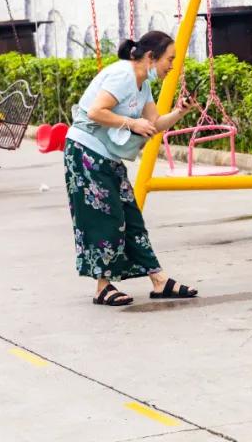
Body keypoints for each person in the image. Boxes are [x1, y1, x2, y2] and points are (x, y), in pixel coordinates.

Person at [64, 31, 200, 307]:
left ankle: (159, 280)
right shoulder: (123, 75)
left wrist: (181, 111)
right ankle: (102, 287)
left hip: (108, 156)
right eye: (169, 59)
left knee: (131, 216)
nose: (172, 66)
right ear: (151, 57)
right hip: (85, 152)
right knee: (106, 218)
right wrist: (131, 123)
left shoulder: (142, 84)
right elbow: (96, 112)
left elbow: (155, 124)